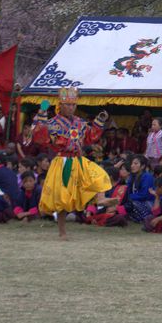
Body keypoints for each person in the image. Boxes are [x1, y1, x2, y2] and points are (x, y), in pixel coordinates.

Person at [38, 87, 111, 240]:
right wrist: (42, 114)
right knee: (64, 198)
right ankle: (62, 231)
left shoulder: (80, 122)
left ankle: (100, 198)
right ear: (61, 105)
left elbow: (91, 137)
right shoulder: (53, 123)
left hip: (78, 159)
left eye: (73, 105)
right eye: (67, 105)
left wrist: (100, 120)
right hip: (62, 162)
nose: (71, 107)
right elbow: (41, 138)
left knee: (99, 175)